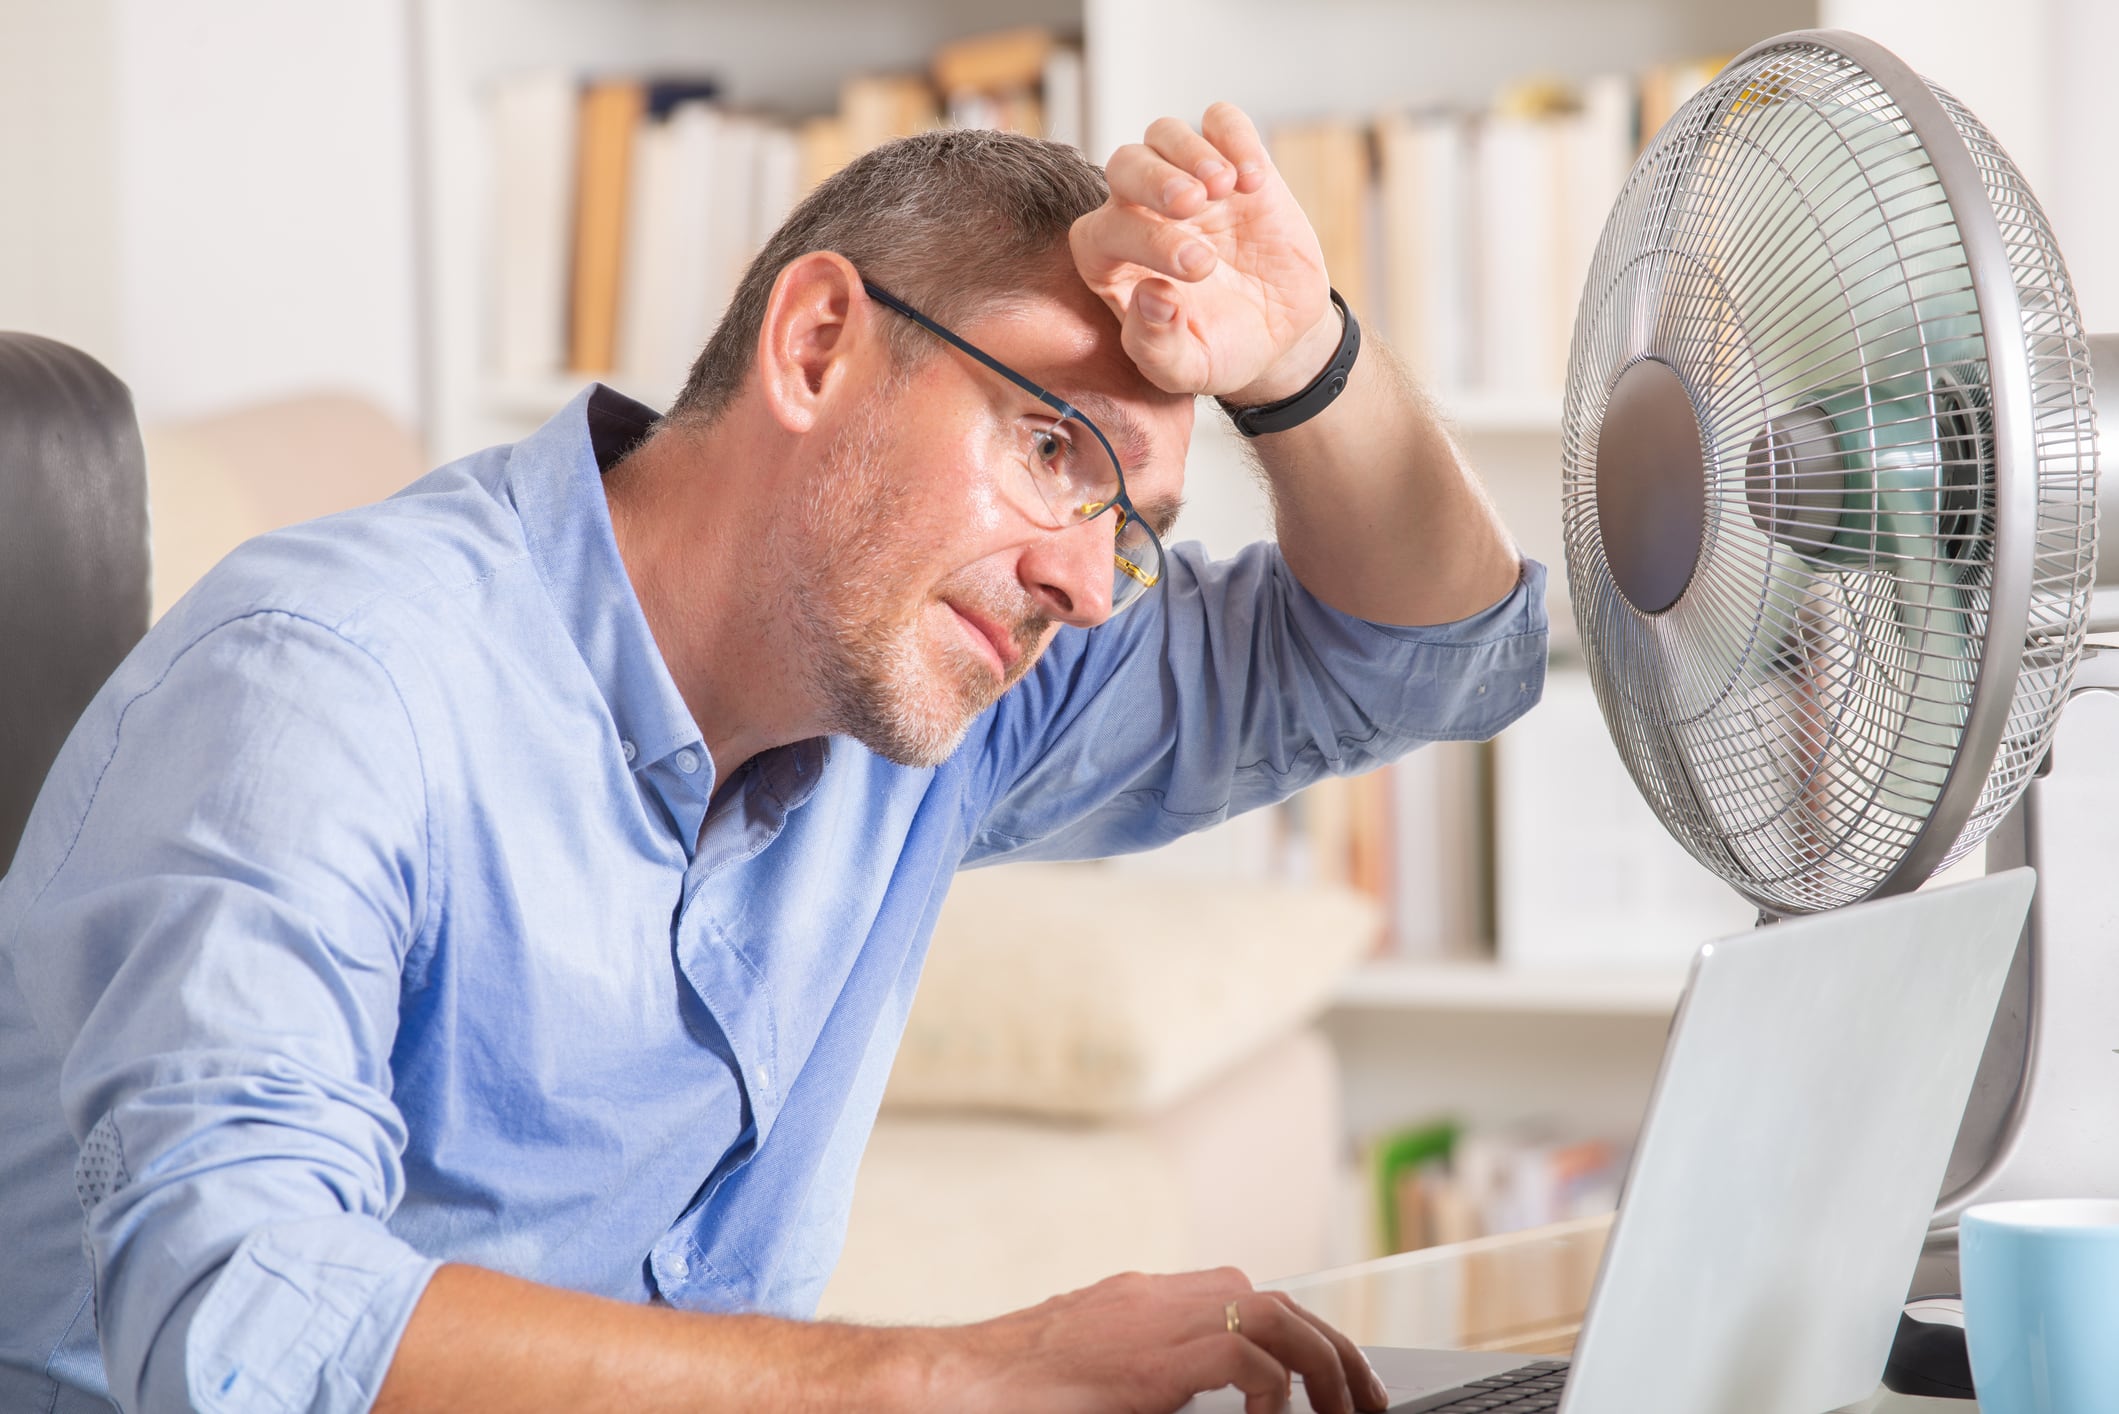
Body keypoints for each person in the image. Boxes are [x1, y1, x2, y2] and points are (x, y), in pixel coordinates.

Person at [0, 104, 1544, 1413]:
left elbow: (1435, 657)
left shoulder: (939, 686)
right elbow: (240, 1318)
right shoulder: (326, 687)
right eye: (1053, 448)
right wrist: (953, 1373)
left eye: (1129, 529)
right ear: (816, 345)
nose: (1085, 584)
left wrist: (1308, 364)